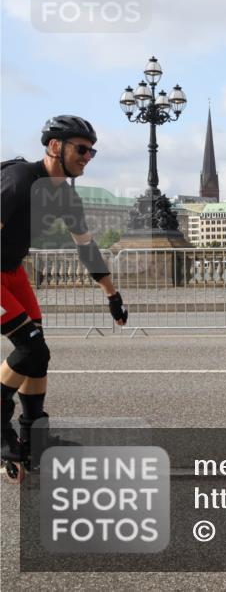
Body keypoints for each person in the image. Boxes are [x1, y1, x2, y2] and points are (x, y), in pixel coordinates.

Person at [1, 115, 128, 467]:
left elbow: (87, 248)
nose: (88, 157)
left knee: (38, 356)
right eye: (82, 149)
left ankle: (34, 439)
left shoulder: (65, 196)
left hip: (11, 272)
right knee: (30, 347)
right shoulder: (20, 179)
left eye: (92, 152)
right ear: (55, 147)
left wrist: (112, 296)